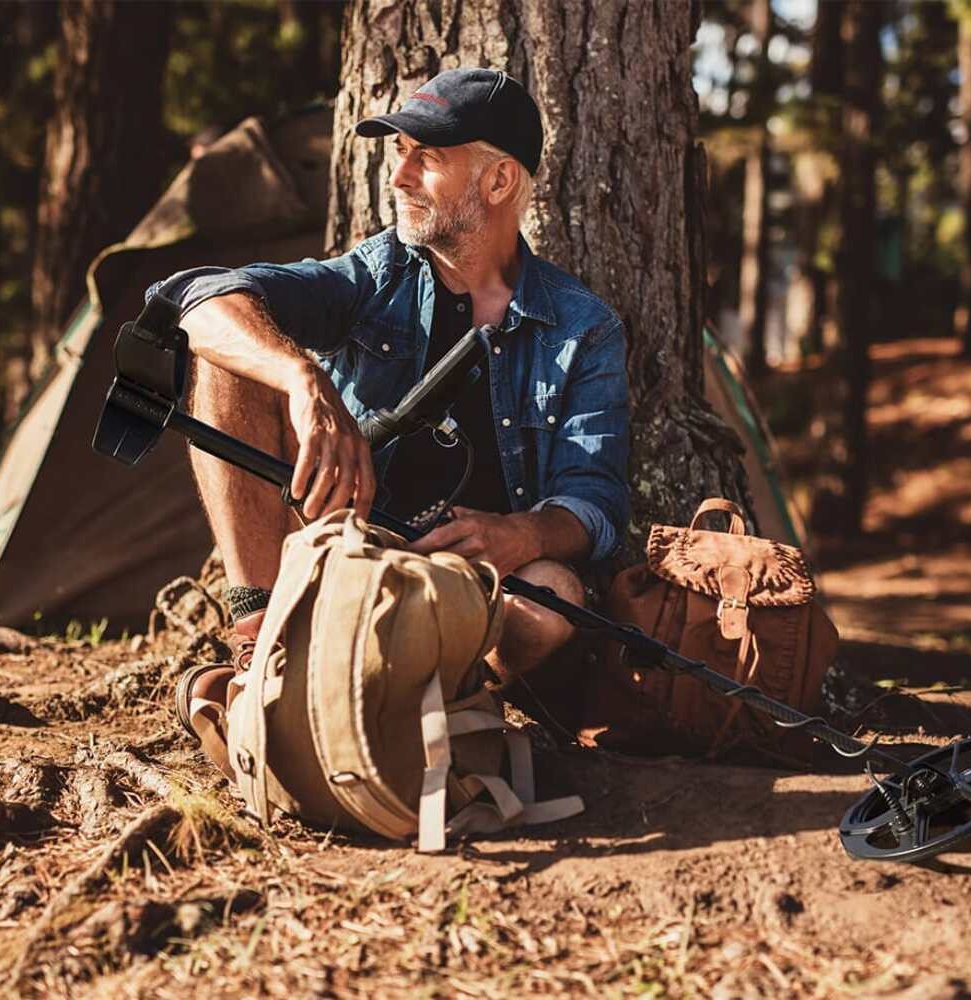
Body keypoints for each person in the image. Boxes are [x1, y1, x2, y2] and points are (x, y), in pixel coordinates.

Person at [154, 68, 630, 763]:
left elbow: (596, 504)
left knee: (553, 596)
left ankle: (419, 705)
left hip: (466, 595)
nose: (398, 176)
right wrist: (302, 379)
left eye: (425, 158)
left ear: (499, 182)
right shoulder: (377, 274)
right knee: (233, 360)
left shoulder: (583, 327)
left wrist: (520, 533)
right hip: (338, 557)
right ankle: (261, 659)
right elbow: (197, 299)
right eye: (398, 152)